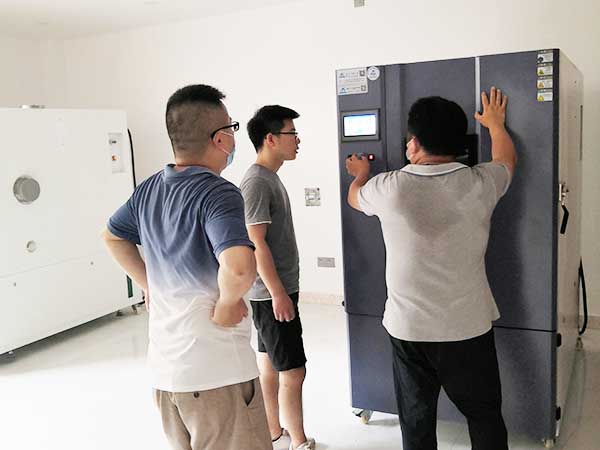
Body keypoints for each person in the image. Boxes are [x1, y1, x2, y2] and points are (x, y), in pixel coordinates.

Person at [345, 87, 516, 450]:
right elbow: (506, 161)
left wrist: (360, 173)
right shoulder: (481, 182)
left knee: (416, 420)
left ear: (414, 143)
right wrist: (496, 126)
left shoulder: (388, 187)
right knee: (484, 415)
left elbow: (354, 198)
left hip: (409, 329)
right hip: (468, 327)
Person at [102, 84, 271, 450]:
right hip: (217, 376)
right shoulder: (218, 193)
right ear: (220, 138)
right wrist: (227, 304)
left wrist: (149, 284)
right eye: (231, 127)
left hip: (166, 377)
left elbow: (113, 237)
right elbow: (239, 268)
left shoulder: (148, 190)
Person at [240, 105, 315, 450]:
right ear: (270, 139)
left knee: (269, 364)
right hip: (272, 293)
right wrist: (278, 294)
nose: (297, 140)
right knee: (293, 371)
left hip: (272, 292)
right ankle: (298, 441)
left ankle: (273, 431)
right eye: (291, 133)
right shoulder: (257, 182)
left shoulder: (268, 177)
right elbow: (256, 243)